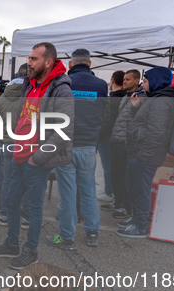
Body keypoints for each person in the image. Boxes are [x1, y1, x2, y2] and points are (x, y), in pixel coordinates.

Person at [0, 42, 74, 269]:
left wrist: (37, 157)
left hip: (37, 160)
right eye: (29, 58)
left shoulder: (60, 88)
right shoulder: (31, 83)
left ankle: (30, 250)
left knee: (33, 208)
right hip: (19, 155)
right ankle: (11, 244)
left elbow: (64, 129)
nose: (29, 62)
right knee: (10, 200)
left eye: (34, 59)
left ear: (48, 62)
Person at [46, 49, 107, 249]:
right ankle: (92, 233)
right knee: (89, 191)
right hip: (89, 145)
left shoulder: (62, 83)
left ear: (70, 64)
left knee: (68, 193)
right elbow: (103, 115)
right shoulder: (101, 85)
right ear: (89, 64)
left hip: (65, 145)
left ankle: (67, 237)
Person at [117, 67, 174, 238]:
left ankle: (139, 226)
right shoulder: (156, 99)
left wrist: (143, 156)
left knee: (141, 189)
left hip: (145, 156)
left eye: (145, 81)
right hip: (140, 153)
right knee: (134, 187)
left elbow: (156, 132)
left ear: (156, 81)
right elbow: (146, 124)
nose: (142, 85)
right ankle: (136, 218)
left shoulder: (161, 102)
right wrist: (137, 107)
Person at [0, 63, 30, 228]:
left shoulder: (3, 96)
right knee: (27, 180)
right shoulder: (32, 95)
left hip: (7, 143)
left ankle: (4, 215)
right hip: (26, 143)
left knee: (7, 180)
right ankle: (26, 217)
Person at [107, 69, 142, 219]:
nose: (125, 82)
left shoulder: (139, 97)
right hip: (117, 141)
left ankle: (125, 206)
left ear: (136, 81)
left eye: (128, 79)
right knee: (115, 174)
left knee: (124, 176)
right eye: (124, 79)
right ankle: (118, 201)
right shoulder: (126, 96)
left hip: (126, 143)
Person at [97, 70, 126, 203]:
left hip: (108, 136)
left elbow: (105, 120)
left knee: (108, 166)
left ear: (113, 80)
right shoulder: (126, 97)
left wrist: (99, 136)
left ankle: (109, 192)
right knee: (116, 167)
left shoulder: (111, 99)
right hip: (121, 138)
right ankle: (115, 193)